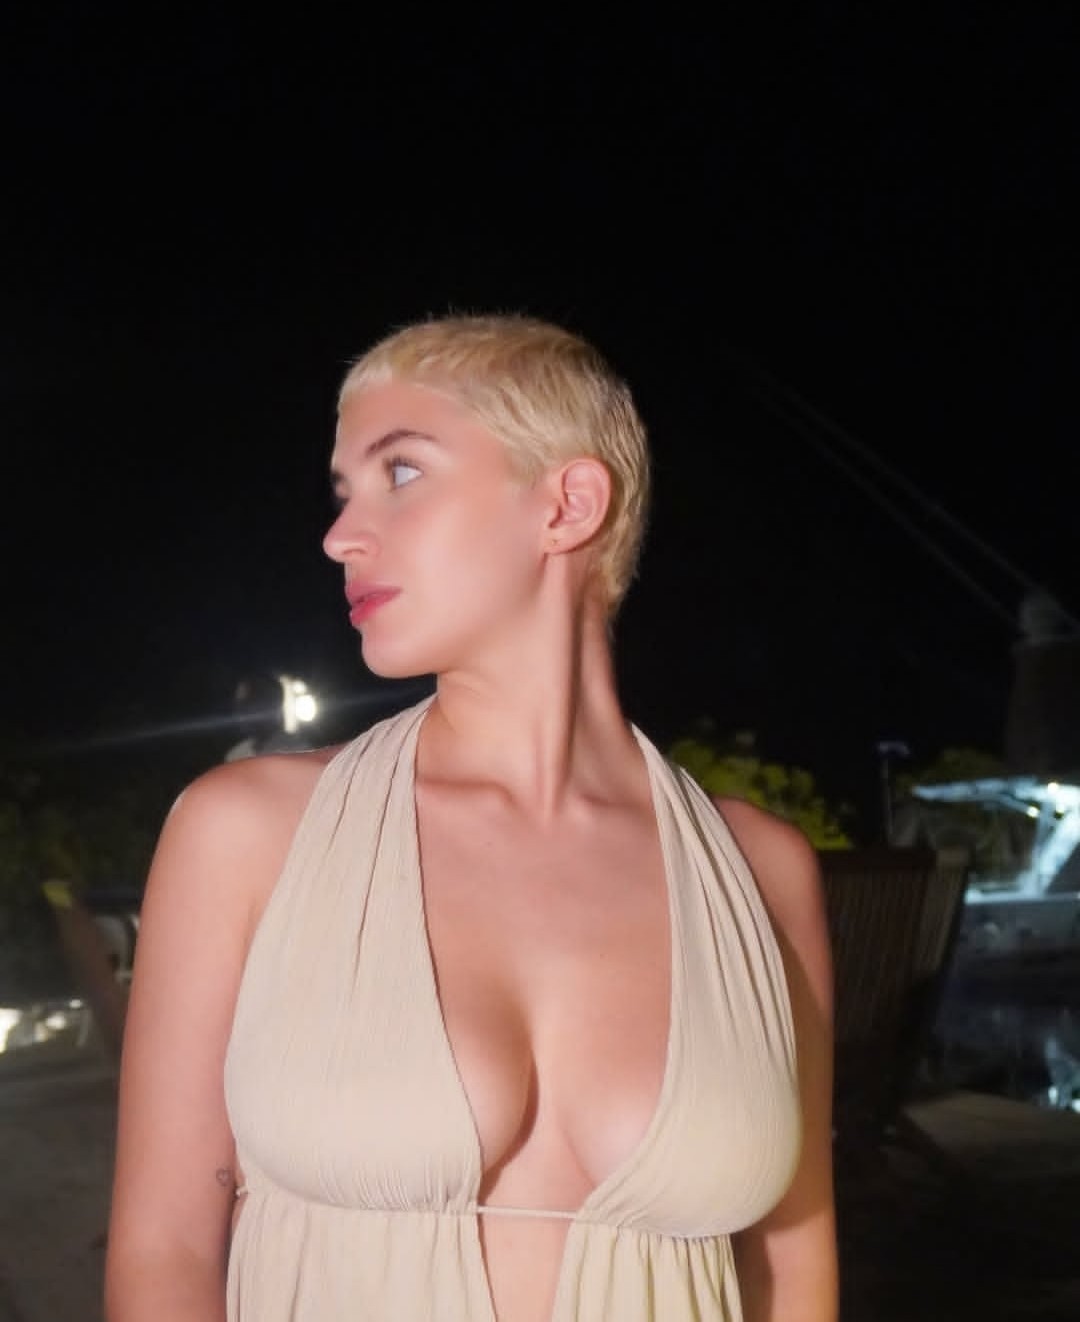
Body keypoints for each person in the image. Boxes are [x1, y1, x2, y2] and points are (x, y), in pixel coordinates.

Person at [105, 315, 837, 1321]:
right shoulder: (248, 833)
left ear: (567, 504)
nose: (340, 536)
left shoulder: (762, 871)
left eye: (401, 472)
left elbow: (793, 1268)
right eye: (344, 492)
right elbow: (165, 1251)